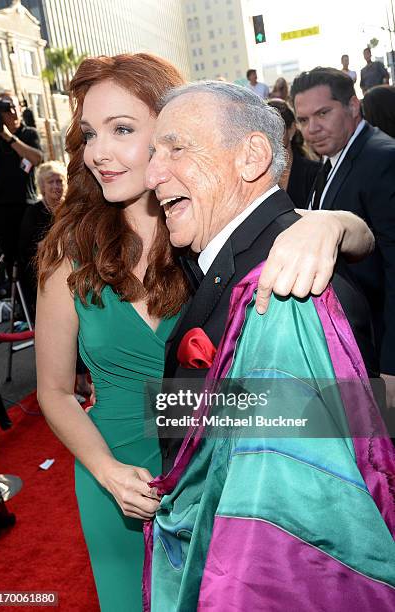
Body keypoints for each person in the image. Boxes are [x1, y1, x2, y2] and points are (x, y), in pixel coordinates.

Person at [36, 54, 374, 611]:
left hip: (224, 471)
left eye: (122, 130)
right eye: (89, 134)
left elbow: (354, 250)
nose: (98, 151)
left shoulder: (204, 231)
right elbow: (52, 389)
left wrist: (329, 224)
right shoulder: (70, 254)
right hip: (112, 473)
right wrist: (105, 470)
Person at [144, 80, 395, 612]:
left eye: (175, 148)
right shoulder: (242, 261)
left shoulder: (284, 293)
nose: (152, 174)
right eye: (152, 154)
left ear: (252, 156)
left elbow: (292, 545)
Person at [291, 67, 395, 410]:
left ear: (353, 106)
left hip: (379, 345)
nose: (312, 128)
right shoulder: (334, 158)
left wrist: (392, 366)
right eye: (304, 120)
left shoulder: (382, 158)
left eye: (323, 113)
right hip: (352, 348)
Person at [0, 92, 42, 281]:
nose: (12, 112)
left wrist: (9, 137)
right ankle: (19, 303)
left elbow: (36, 158)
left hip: (27, 205)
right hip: (0, 207)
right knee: (12, 260)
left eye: (14, 106)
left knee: (32, 256)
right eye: (6, 109)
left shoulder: (28, 133)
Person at [19, 161, 67, 316]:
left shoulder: (72, 208)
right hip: (43, 269)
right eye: (50, 182)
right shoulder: (33, 213)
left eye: (59, 181)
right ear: (42, 187)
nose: (56, 186)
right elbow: (27, 249)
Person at [267, 99, 321, 208]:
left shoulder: (315, 173)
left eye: (277, 129)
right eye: (265, 131)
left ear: (291, 129)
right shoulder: (256, 177)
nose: (271, 137)